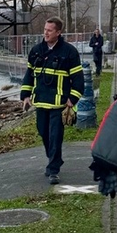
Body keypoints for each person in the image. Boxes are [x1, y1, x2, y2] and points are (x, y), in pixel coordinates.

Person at [21, 17, 84, 184]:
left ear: (58, 32)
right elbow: (29, 75)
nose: (46, 33)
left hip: (60, 103)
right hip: (41, 101)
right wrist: (26, 96)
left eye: (50, 30)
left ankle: (53, 170)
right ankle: (54, 158)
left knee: (55, 136)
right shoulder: (36, 50)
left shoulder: (69, 52)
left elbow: (78, 78)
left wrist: (73, 99)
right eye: (45, 29)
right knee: (43, 132)